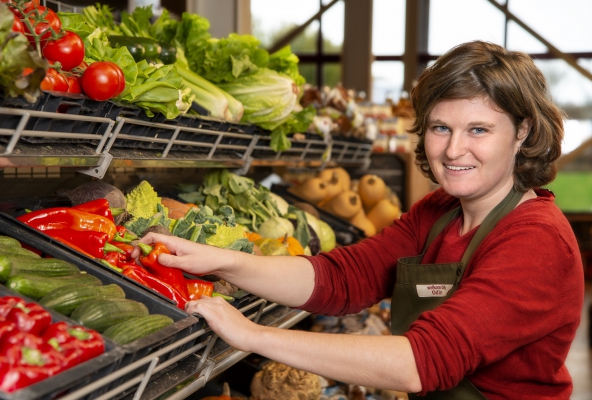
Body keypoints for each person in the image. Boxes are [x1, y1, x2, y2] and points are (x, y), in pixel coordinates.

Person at [132, 41, 584, 399]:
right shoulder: (439, 212)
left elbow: (419, 362)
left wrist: (252, 335)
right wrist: (219, 261)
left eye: (479, 130)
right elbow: (343, 278)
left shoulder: (536, 241)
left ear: (522, 132)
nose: (452, 150)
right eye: (440, 127)